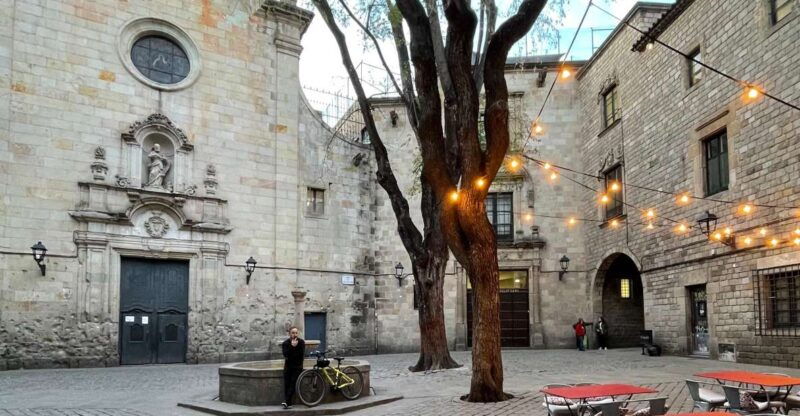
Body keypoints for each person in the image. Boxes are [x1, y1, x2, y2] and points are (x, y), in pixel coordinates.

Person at [281, 326, 305, 409]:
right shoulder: (285, 343)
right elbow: (286, 355)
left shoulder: (301, 342)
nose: (295, 334)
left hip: (297, 367)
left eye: (296, 333)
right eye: (293, 333)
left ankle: (286, 401)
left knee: (293, 384)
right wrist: (292, 347)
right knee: (287, 384)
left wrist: (294, 347)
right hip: (288, 367)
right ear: (289, 334)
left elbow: (300, 355)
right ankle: (289, 403)